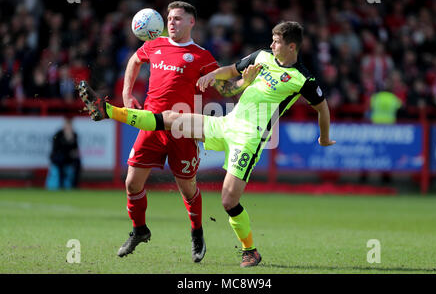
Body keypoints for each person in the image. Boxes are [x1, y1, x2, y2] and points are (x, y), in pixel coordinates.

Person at [78, 21, 335, 267]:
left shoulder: (303, 79)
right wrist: (213, 73)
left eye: (277, 41)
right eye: (272, 39)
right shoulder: (262, 56)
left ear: (292, 47)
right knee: (171, 119)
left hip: (249, 139)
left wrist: (323, 137)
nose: (272, 44)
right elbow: (233, 70)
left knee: (228, 200)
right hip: (227, 124)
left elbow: (322, 109)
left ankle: (250, 251)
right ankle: (108, 110)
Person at [110, 1, 219, 262]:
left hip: (182, 130)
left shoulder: (202, 56)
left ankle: (196, 233)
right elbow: (134, 61)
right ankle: (139, 230)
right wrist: (126, 94)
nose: (172, 22)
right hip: (151, 124)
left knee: (187, 188)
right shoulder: (154, 45)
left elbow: (223, 84)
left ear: (192, 22)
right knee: (132, 182)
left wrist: (240, 82)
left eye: (178, 19)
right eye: (169, 18)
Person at [46, 117, 81, 190]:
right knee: (60, 161)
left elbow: (75, 149)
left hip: (69, 157)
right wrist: (67, 141)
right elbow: (56, 149)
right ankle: (60, 184)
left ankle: (74, 185)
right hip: (59, 157)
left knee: (78, 162)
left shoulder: (74, 135)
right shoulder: (58, 135)